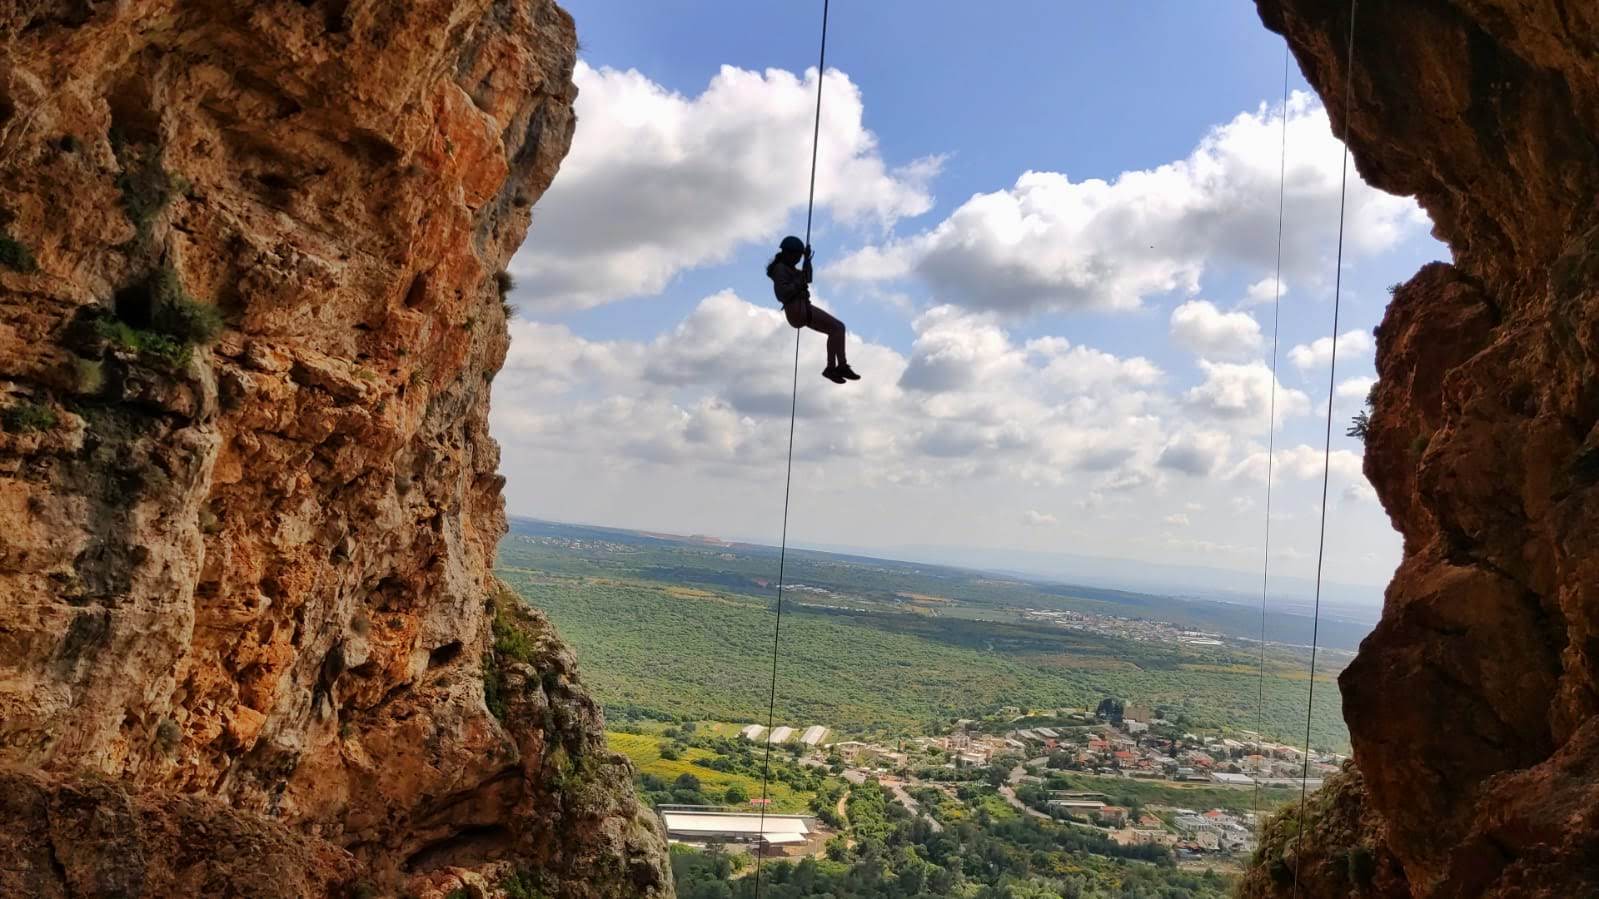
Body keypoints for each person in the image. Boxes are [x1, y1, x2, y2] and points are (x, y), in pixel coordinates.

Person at [766, 235, 859, 384]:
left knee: (835, 330)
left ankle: (832, 367)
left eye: (799, 257)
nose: (797, 259)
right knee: (838, 327)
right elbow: (782, 293)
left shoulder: (789, 269)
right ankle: (840, 366)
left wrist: (807, 260)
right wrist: (798, 283)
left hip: (800, 309)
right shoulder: (780, 269)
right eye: (796, 256)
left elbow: (807, 277)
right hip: (797, 308)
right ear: (788, 253)